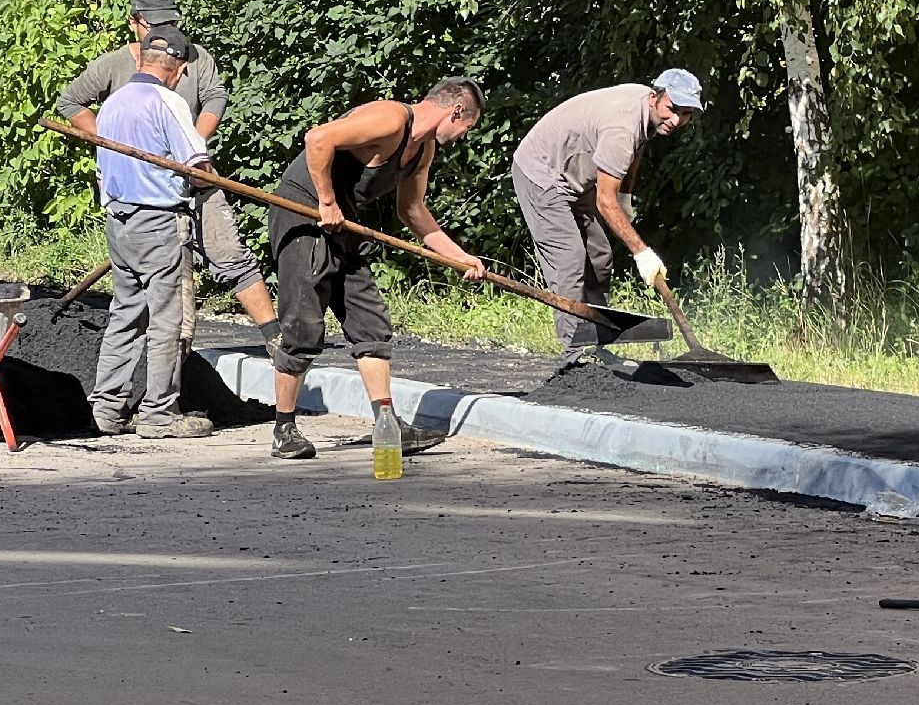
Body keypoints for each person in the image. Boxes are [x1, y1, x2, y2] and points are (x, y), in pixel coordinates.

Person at [267, 77, 487, 460]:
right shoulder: (390, 118)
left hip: (344, 222)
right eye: (467, 126)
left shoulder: (423, 150)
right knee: (303, 327)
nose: (464, 136)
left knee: (370, 324)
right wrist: (326, 202)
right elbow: (318, 139)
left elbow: (412, 211)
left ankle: (388, 425)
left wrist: (459, 257)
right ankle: (284, 430)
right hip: (304, 212)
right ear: (456, 111)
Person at [57, 0, 282, 353]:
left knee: (230, 252)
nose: (165, 31)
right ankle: (165, 352)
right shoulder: (113, 66)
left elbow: (215, 97)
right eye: (155, 25)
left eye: (170, 23)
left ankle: (275, 338)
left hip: (196, 176)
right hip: (144, 191)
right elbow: (70, 102)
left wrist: (193, 144)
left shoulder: (194, 57)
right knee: (160, 272)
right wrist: (113, 141)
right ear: (134, 23)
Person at [512, 69, 703, 365]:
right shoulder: (622, 128)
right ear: (655, 96)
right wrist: (642, 253)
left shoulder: (646, 112)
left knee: (599, 256)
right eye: (673, 109)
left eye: (685, 114)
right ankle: (575, 356)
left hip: (573, 178)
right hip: (542, 174)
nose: (676, 120)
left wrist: (625, 196)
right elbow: (604, 200)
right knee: (570, 259)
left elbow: (634, 151)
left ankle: (597, 344)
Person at [89, 25, 215, 439]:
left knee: (126, 314)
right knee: (166, 319)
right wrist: (208, 176)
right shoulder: (169, 102)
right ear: (176, 66)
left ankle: (108, 408)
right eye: (184, 68)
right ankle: (159, 413)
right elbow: (195, 164)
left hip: (119, 222)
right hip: (159, 222)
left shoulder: (113, 104)